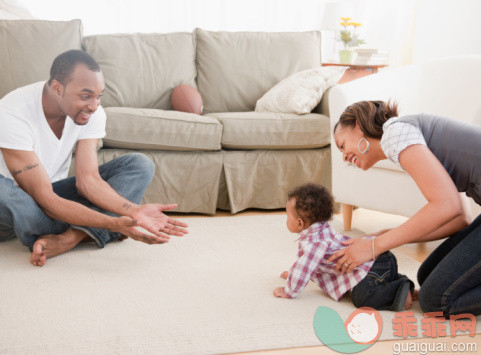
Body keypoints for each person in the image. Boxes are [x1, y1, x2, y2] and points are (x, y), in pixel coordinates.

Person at [0, 49, 188, 267]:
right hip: (14, 204)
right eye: (85, 96)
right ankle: (82, 230)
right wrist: (113, 223)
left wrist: (134, 210)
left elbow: (88, 180)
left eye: (99, 96)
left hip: (51, 194)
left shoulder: (91, 113)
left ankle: (69, 237)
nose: (94, 105)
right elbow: (45, 200)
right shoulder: (12, 113)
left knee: (139, 165)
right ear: (57, 88)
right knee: (10, 196)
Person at [330, 100, 481, 316]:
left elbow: (448, 206)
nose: (343, 156)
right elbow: (460, 218)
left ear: (358, 126)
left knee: (436, 300)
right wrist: (383, 235)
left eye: (342, 145)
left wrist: (375, 246)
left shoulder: (394, 133)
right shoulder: (405, 138)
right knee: (426, 275)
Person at [273, 183, 415, 311]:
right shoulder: (322, 229)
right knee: (373, 281)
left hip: (372, 266)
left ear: (299, 223)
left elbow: (305, 267)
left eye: (287, 216)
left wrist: (289, 290)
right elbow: (305, 264)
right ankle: (394, 281)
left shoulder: (315, 243)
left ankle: (399, 289)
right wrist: (293, 272)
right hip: (381, 260)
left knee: (362, 298)